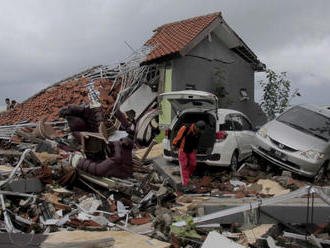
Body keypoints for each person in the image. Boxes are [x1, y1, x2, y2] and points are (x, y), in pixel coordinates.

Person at [172, 120, 206, 189]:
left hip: (191, 150)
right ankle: (185, 184)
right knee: (183, 166)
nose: (200, 132)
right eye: (200, 130)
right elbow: (178, 137)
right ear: (196, 127)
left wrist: (195, 150)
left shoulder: (198, 132)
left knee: (193, 164)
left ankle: (187, 175)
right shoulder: (185, 128)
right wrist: (174, 145)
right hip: (183, 150)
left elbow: (197, 142)